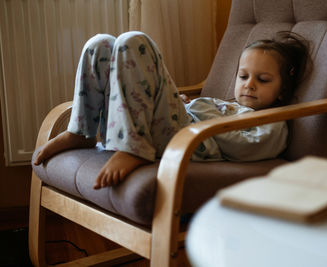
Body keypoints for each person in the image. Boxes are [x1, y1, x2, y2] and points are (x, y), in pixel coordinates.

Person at [33, 31, 310, 190]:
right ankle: (81, 131)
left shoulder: (274, 121)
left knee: (134, 42)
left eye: (262, 80)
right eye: (243, 76)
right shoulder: (224, 105)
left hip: (185, 143)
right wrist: (182, 104)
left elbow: (248, 149)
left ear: (282, 91)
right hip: (170, 128)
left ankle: (133, 149)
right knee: (101, 44)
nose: (249, 85)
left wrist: (199, 113)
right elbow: (198, 114)